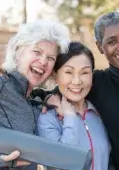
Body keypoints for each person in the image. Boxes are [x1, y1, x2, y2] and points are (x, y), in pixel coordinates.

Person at [33, 11, 119, 170]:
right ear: (100, 47)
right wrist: (49, 97)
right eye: (112, 41)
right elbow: (64, 87)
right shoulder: (96, 83)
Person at [0, 20, 70, 170]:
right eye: (37, 52)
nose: (43, 61)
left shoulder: (34, 101)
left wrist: (51, 96)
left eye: (51, 58)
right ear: (18, 51)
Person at [37, 42, 111, 170]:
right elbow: (60, 162)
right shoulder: (47, 118)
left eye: (84, 73)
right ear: (56, 76)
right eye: (69, 72)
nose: (77, 81)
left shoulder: (98, 113)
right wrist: (70, 118)